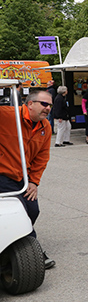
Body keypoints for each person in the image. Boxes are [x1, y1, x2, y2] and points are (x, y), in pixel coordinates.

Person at [0, 88, 56, 269]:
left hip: (23, 178)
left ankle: (15, 245)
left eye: (50, 105)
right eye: (44, 104)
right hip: (3, 175)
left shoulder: (45, 126)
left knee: (33, 210)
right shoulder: (7, 115)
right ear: (30, 104)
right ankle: (32, 252)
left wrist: (33, 182)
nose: (48, 108)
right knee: (20, 213)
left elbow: (42, 157)